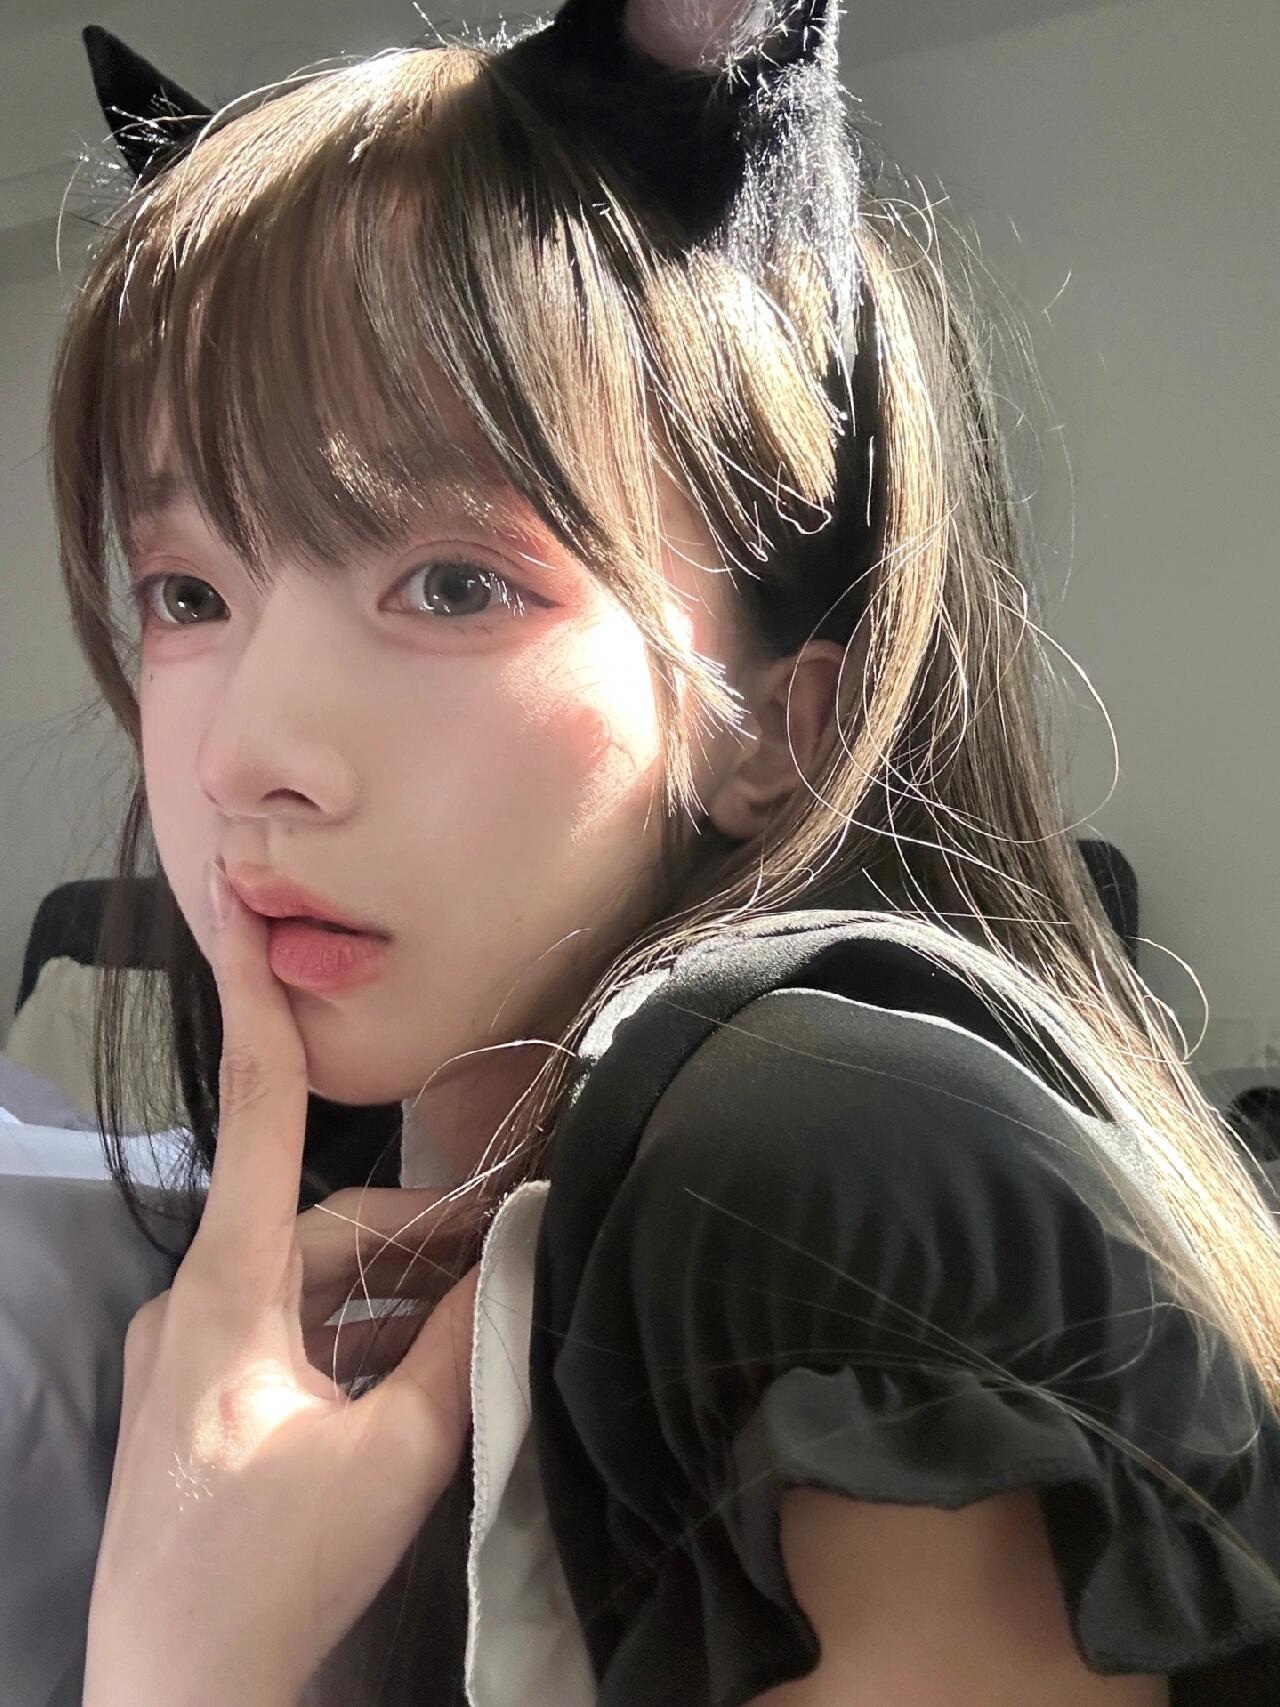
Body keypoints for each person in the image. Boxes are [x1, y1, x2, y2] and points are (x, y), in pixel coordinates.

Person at [22, 1, 1280, 1702]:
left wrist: (178, 1668)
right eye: (189, 593)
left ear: (777, 723)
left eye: (453, 585)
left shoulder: (819, 1155)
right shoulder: (382, 1224)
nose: (245, 756)